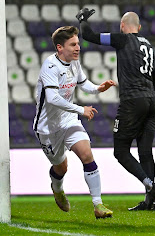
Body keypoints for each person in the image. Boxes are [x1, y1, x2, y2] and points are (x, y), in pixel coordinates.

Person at [76, 9, 155, 211]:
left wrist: (83, 19)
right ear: (139, 28)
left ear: (122, 26)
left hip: (133, 101)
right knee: (145, 152)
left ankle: (149, 186)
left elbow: (88, 36)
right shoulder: (152, 48)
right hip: (151, 101)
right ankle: (151, 202)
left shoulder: (122, 40)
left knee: (121, 151)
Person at [33, 26, 116, 219]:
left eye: (78, 43)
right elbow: (53, 99)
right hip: (48, 127)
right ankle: (57, 188)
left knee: (87, 154)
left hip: (69, 120)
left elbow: (82, 83)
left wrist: (98, 88)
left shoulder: (74, 63)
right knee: (61, 168)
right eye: (73, 44)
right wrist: (81, 109)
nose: (78, 47)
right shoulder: (50, 66)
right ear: (60, 48)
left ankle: (98, 204)